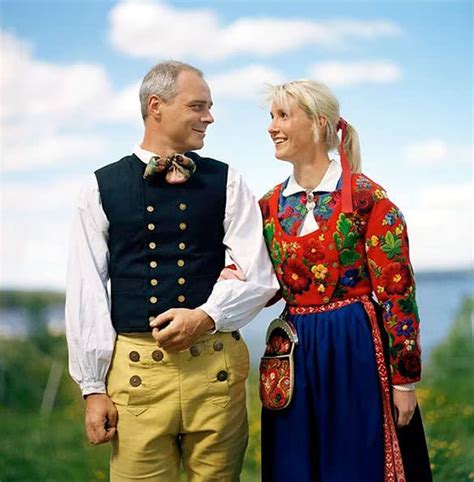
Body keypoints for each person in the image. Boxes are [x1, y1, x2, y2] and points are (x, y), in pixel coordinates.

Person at [65, 61, 278, 482]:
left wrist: (206, 315)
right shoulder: (99, 187)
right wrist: (92, 387)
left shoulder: (228, 180)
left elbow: (259, 276)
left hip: (215, 371)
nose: (210, 117)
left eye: (210, 107)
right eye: (198, 106)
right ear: (156, 106)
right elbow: (86, 288)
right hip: (137, 374)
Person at [257, 80, 432, 482]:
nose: (272, 127)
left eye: (284, 115)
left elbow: (397, 291)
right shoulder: (267, 205)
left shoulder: (369, 198)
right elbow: (256, 282)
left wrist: (404, 380)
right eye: (271, 116)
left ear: (319, 124)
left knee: (357, 461)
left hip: (355, 346)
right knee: (295, 465)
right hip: (293, 351)